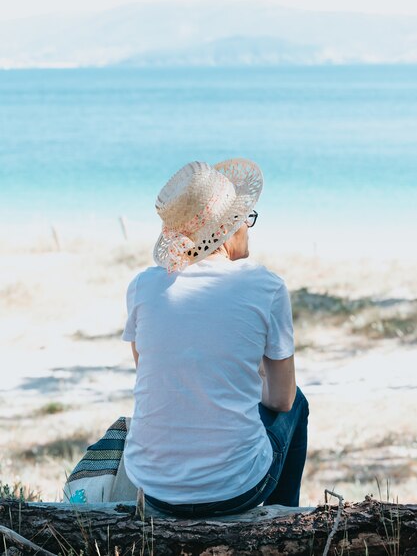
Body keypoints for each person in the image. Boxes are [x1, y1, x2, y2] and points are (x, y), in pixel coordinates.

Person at [121, 158, 309, 518]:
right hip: (235, 489)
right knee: (298, 402)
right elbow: (281, 400)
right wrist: (244, 379)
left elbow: (152, 372)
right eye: (246, 218)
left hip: (153, 487)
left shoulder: (143, 286)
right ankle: (283, 521)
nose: (249, 227)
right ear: (229, 227)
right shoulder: (265, 286)